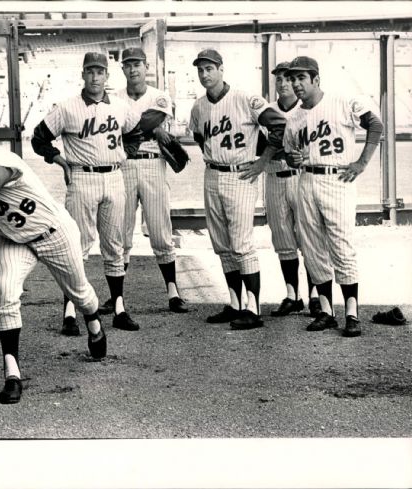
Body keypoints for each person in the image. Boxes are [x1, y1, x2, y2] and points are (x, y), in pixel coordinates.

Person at [0, 111, 107, 404]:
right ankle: (12, 373)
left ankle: (93, 321)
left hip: (54, 233)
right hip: (15, 240)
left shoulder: (0, 158)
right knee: (5, 295)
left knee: (81, 295)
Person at [31, 52, 142, 336]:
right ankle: (69, 312)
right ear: (83, 74)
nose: (95, 77)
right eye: (90, 71)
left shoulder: (120, 106)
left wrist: (126, 153)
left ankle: (118, 307)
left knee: (114, 245)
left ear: (107, 75)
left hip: (114, 177)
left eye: (100, 72)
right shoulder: (67, 108)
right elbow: (39, 137)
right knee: (76, 248)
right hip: (82, 177)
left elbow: (135, 131)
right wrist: (58, 159)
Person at [283, 56, 383, 337]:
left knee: (341, 244)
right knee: (312, 246)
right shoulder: (293, 118)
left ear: (316, 79)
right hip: (306, 180)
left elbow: (375, 125)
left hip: (337, 178)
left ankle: (352, 313)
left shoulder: (342, 101)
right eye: (292, 79)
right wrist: (293, 158)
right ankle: (326, 312)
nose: (296, 84)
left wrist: (362, 163)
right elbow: (290, 156)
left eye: (301, 78)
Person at [188, 49, 286, 330]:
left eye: (209, 68)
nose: (205, 74)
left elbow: (277, 123)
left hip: (241, 173)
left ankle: (253, 309)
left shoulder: (245, 98)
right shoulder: (198, 106)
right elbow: (198, 136)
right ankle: (234, 304)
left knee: (241, 243)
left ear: (221, 69)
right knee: (221, 244)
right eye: (201, 70)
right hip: (212, 173)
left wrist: (262, 161)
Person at [113, 47, 188, 314]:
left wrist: (149, 127)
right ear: (122, 69)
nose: (133, 69)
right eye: (128, 64)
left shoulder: (160, 97)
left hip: (153, 164)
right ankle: (116, 296)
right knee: (120, 233)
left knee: (160, 230)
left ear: (146, 67)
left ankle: (173, 291)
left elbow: (142, 123)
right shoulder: (114, 98)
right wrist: (150, 129)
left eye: (137, 64)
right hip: (123, 166)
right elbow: (137, 127)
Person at [261, 62, 320, 318]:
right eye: (279, 79)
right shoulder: (265, 110)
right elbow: (260, 145)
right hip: (274, 176)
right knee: (282, 238)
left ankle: (316, 295)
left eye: (287, 78)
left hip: (299, 176)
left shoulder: (306, 108)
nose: (283, 83)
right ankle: (291, 295)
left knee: (309, 237)